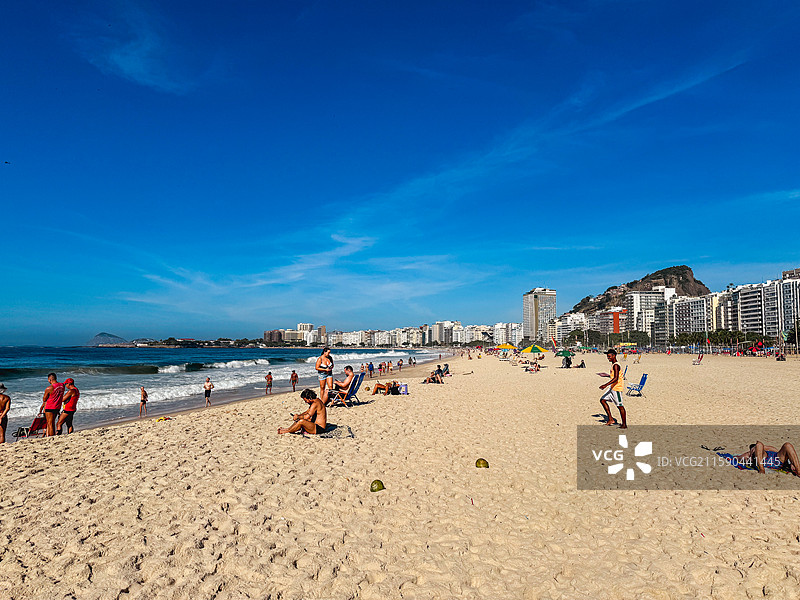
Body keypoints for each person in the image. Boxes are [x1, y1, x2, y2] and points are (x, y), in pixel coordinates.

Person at [735, 441, 800, 476]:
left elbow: (785, 454)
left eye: (754, 449)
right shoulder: (748, 455)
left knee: (787, 445)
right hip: (763, 461)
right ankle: (761, 469)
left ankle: (798, 470)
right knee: (759, 444)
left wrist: (791, 463)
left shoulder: (769, 449)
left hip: (776, 460)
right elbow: (737, 458)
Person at [599, 349, 627, 429]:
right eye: (607, 356)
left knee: (620, 406)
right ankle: (610, 419)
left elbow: (616, 378)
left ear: (614, 356)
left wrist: (605, 385)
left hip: (617, 388)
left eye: (609, 356)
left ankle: (624, 424)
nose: (608, 358)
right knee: (602, 400)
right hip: (612, 388)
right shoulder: (613, 365)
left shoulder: (616, 365)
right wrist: (607, 375)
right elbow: (614, 376)